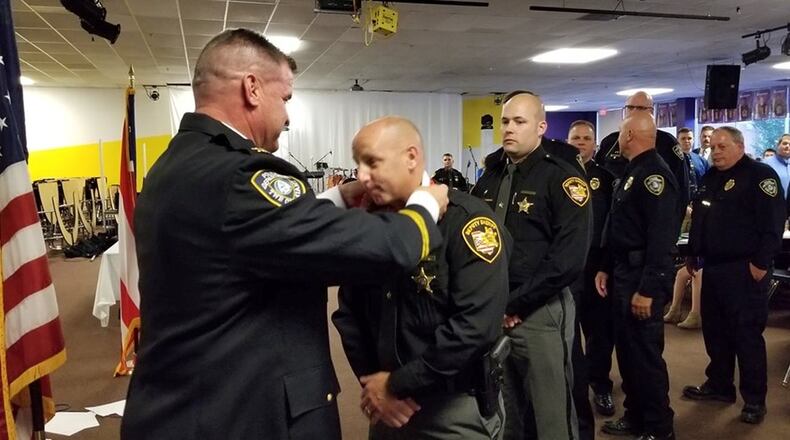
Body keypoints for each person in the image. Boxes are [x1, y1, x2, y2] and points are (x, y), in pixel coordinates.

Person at [121, 29, 450, 440]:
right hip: (241, 414)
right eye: (286, 98)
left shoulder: (177, 165)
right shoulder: (242, 176)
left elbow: (251, 240)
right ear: (252, 88)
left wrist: (339, 198)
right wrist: (426, 204)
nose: (289, 116)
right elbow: (386, 248)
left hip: (182, 400)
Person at [333, 116, 511, 439]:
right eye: (358, 164)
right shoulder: (368, 224)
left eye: (372, 162)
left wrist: (398, 384)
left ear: (412, 157)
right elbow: (348, 313)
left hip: (451, 406)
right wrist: (375, 384)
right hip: (386, 405)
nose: (361, 176)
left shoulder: (467, 221)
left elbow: (475, 327)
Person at [471, 90, 590, 440]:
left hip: (541, 311)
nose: (509, 128)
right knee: (503, 410)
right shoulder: (490, 176)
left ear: (540, 127)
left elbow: (568, 260)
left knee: (551, 413)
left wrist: (517, 303)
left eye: (519, 122)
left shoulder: (562, 177)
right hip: (494, 310)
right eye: (506, 121)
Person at [682, 126, 785, 425]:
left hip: (745, 269)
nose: (716, 151)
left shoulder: (760, 176)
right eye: (713, 147)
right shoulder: (711, 177)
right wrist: (693, 252)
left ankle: (754, 400)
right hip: (713, 267)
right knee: (715, 333)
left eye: (722, 146)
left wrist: (761, 263)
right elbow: (700, 218)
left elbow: (772, 225)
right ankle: (719, 385)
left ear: (739, 146)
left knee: (746, 336)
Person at [595, 112, 677, 440]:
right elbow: (619, 227)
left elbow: (661, 239)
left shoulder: (654, 174)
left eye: (619, 132)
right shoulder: (634, 170)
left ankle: (659, 427)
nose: (617, 138)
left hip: (642, 277)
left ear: (629, 135)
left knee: (645, 356)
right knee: (628, 353)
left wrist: (648, 289)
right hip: (622, 271)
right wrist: (604, 266)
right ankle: (635, 416)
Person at [567, 119, 617, 423]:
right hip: (566, 271)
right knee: (567, 334)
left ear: (594, 144)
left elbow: (614, 229)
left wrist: (606, 267)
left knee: (599, 332)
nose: (580, 143)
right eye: (576, 138)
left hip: (597, 269)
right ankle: (573, 389)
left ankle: (601, 385)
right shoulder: (554, 177)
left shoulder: (607, 179)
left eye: (586, 138)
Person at [595, 91, 689, 228]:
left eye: (639, 108)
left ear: (651, 111)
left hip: (648, 222)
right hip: (613, 220)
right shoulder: (610, 142)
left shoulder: (666, 143)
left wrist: (674, 228)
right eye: (629, 108)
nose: (633, 111)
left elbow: (682, 188)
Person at [664, 127, 708, 329]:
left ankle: (695, 313)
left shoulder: (701, 161)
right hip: (681, 211)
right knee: (684, 271)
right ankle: (674, 310)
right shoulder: (671, 160)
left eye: (690, 138)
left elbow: (703, 186)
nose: (687, 141)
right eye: (683, 138)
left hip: (700, 213)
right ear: (678, 140)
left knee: (695, 270)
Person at [764, 133, 790, 198]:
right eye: (785, 143)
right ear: (778, 145)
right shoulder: (766, 163)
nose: (787, 146)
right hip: (772, 204)